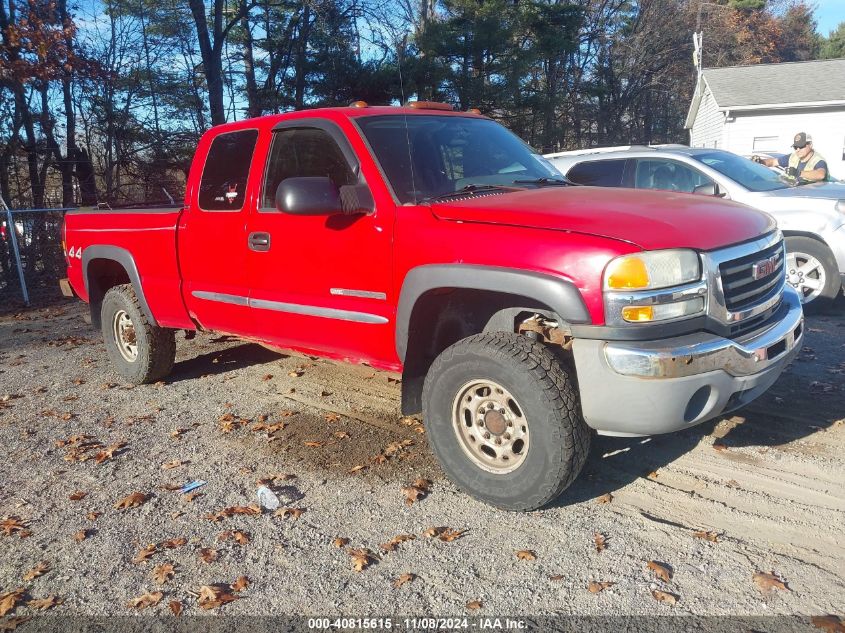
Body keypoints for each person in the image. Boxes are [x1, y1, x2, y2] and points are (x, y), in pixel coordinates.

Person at [753, 132, 828, 183]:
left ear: (810, 144)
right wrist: (760, 161)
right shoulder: (793, 157)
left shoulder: (818, 160)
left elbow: (820, 175)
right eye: (795, 147)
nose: (798, 150)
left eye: (801, 146)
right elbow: (773, 162)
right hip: (792, 192)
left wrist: (798, 173)